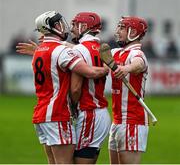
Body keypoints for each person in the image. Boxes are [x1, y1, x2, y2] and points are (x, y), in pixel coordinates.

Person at [17, 11, 108, 164]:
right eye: (59, 23)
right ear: (53, 27)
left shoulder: (40, 51)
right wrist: (107, 69)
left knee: (53, 162)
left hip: (41, 115)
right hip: (58, 113)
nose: (66, 27)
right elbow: (90, 72)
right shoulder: (62, 52)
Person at [70, 12, 111, 164]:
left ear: (84, 27)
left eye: (75, 25)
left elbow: (75, 88)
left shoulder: (79, 50)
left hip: (89, 113)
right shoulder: (102, 49)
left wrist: (72, 106)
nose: (72, 29)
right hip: (99, 112)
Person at [109, 16, 149, 164]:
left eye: (121, 28)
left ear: (133, 32)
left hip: (132, 120)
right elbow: (85, 50)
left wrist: (127, 68)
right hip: (118, 121)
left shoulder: (136, 54)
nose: (117, 31)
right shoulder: (116, 52)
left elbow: (138, 64)